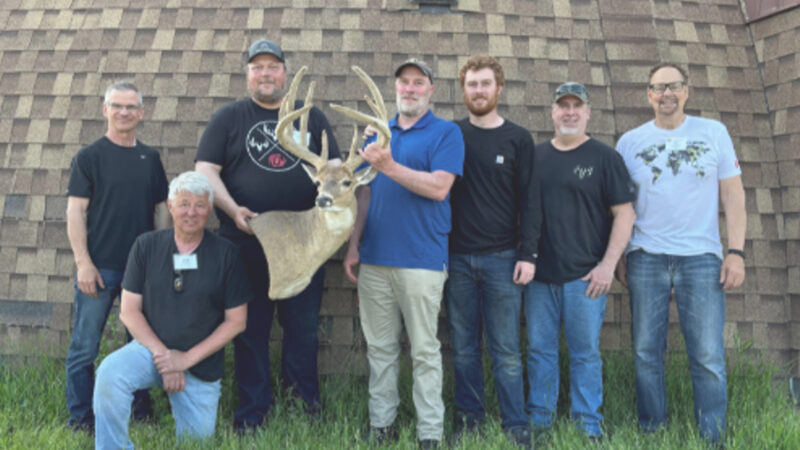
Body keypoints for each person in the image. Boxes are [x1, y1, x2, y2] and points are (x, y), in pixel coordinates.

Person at [194, 38, 341, 432]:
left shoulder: (313, 119)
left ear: (284, 73)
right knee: (250, 330)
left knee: (302, 329)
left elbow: (336, 172)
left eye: (272, 66)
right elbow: (205, 171)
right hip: (245, 242)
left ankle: (302, 409)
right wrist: (231, 209)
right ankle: (252, 414)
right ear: (248, 74)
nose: (265, 73)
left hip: (302, 246)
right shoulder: (229, 118)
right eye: (257, 67)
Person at [616, 62, 746, 445]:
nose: (667, 93)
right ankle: (653, 431)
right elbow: (621, 206)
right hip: (645, 256)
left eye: (674, 86)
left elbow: (733, 195)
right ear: (648, 95)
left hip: (701, 258)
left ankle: (712, 437)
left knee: (707, 355)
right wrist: (621, 254)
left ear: (686, 91)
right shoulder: (630, 142)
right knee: (645, 352)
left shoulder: (714, 133)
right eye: (659, 87)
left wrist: (735, 251)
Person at [344, 58, 464, 449]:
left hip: (422, 261)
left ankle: (429, 432)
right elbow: (364, 191)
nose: (409, 89)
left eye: (418, 83)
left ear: (430, 90)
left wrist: (389, 164)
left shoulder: (445, 133)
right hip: (375, 259)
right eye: (403, 83)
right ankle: (383, 425)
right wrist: (353, 245)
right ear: (395, 89)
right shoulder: (378, 133)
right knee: (380, 349)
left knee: (425, 351)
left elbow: (438, 188)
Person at [93, 171, 251, 449]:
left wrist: (185, 359)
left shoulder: (227, 255)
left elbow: (236, 322)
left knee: (195, 445)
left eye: (200, 205)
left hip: (200, 362)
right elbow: (129, 311)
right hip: (150, 352)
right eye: (184, 203)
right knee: (110, 373)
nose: (192, 212)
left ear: (210, 210)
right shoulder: (146, 246)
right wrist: (165, 358)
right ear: (170, 206)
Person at [525, 82, 636, 440]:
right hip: (539, 277)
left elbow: (625, 214)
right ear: (552, 112)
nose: (570, 112)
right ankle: (540, 421)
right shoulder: (536, 157)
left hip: (586, 277)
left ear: (588, 113)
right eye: (563, 105)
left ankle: (588, 425)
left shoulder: (605, 158)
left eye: (577, 106)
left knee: (585, 353)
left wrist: (607, 265)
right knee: (540, 351)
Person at [445, 55, 539, 449]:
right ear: (463, 90)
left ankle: (515, 423)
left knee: (505, 349)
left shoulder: (518, 139)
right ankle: (469, 419)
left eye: (485, 83)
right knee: (464, 347)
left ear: (499, 88)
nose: (479, 90)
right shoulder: (451, 135)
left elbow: (531, 201)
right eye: (472, 84)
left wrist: (528, 255)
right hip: (457, 260)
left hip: (503, 259)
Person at [65, 81, 169, 432]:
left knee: (138, 346)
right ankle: (81, 419)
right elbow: (76, 212)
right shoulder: (89, 157)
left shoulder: (151, 159)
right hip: (99, 269)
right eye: (117, 105)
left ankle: (140, 411)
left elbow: (160, 212)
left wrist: (159, 260)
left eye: (131, 107)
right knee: (84, 347)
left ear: (141, 113)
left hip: (139, 272)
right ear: (104, 109)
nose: (124, 112)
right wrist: (83, 262)